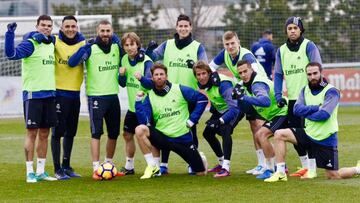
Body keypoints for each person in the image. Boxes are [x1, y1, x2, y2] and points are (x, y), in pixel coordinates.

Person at [265, 62, 360, 182]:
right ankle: (280, 172)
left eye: (315, 73)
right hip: (308, 133)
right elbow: (296, 110)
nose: (312, 77)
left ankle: (357, 169)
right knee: (279, 134)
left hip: (325, 138)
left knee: (333, 176)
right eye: (309, 74)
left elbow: (324, 114)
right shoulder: (304, 90)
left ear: (321, 73)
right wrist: (315, 108)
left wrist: (307, 113)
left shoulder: (332, 91)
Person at [146, 14, 208, 174]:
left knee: (191, 130)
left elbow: (204, 66)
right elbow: (153, 57)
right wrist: (150, 49)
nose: (183, 28)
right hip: (169, 94)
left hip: (189, 94)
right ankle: (164, 165)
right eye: (180, 26)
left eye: (186, 26)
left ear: (190, 27)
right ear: (176, 27)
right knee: (165, 128)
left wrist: (195, 66)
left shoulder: (197, 47)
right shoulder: (167, 45)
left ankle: (192, 163)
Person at [5, 15, 57, 183]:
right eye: (43, 25)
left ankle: (41, 171)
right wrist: (10, 34)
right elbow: (11, 54)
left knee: (44, 133)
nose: (46, 28)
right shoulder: (30, 44)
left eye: (49, 25)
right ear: (37, 26)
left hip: (50, 94)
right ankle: (30, 172)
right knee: (32, 133)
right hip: (33, 95)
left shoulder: (51, 44)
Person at [68, 20, 123, 180]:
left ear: (112, 32)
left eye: (108, 31)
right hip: (96, 97)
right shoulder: (90, 48)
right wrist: (84, 47)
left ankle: (108, 165)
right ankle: (96, 168)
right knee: (96, 133)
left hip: (113, 96)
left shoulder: (116, 48)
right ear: (97, 32)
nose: (105, 34)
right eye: (102, 31)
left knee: (114, 134)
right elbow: (72, 63)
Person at [134, 63, 208, 179]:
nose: (159, 77)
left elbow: (202, 99)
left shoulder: (179, 89)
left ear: (166, 76)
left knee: (201, 173)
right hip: (163, 138)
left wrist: (192, 120)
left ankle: (200, 158)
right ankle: (153, 166)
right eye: (156, 75)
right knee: (139, 130)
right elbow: (144, 122)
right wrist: (138, 101)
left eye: (161, 74)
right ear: (152, 78)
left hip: (182, 138)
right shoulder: (149, 96)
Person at [209, 31, 268, 175]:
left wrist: (239, 86)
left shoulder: (246, 55)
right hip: (246, 93)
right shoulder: (224, 54)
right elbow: (210, 67)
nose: (230, 47)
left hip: (259, 91)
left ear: (238, 42)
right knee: (254, 127)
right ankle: (261, 164)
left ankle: (273, 164)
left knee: (262, 128)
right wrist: (215, 75)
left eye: (232, 43)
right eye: (227, 44)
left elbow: (253, 72)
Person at [274, 16, 323, 177]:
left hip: (308, 99)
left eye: (295, 28)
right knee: (294, 135)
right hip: (293, 101)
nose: (293, 31)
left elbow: (317, 69)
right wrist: (278, 95)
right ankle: (305, 166)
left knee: (308, 134)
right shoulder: (281, 50)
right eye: (290, 28)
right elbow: (279, 75)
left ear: (301, 29)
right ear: (286, 31)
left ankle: (312, 169)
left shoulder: (309, 46)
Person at [233, 60, 288, 180]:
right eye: (240, 73)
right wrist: (238, 98)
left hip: (282, 112)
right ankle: (279, 166)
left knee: (262, 135)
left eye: (245, 71)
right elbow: (244, 107)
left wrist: (244, 97)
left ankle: (271, 169)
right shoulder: (245, 84)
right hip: (274, 114)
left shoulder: (257, 84)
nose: (243, 75)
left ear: (251, 70)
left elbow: (265, 102)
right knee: (260, 135)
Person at [49, 15, 85, 180]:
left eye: (73, 26)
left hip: (75, 95)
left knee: (71, 132)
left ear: (77, 28)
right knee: (57, 132)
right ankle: (57, 169)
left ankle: (66, 165)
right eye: (67, 26)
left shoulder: (83, 44)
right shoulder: (54, 41)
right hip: (59, 94)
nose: (70, 29)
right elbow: (35, 37)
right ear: (62, 28)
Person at [193, 61, 242, 178]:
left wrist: (219, 121)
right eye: (198, 74)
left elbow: (234, 108)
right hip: (222, 110)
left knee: (225, 129)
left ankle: (226, 168)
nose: (201, 77)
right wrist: (214, 114)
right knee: (207, 133)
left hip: (237, 109)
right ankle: (220, 163)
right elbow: (217, 98)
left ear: (209, 73)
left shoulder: (223, 84)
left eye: (204, 73)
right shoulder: (207, 83)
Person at [118, 32, 153, 175]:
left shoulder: (147, 61)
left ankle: (154, 165)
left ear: (137, 45)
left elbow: (151, 84)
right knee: (127, 134)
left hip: (144, 107)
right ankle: (129, 166)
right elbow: (122, 84)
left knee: (146, 136)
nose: (129, 47)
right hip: (133, 107)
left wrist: (142, 79)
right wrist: (121, 75)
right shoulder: (124, 59)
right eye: (126, 45)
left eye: (132, 44)